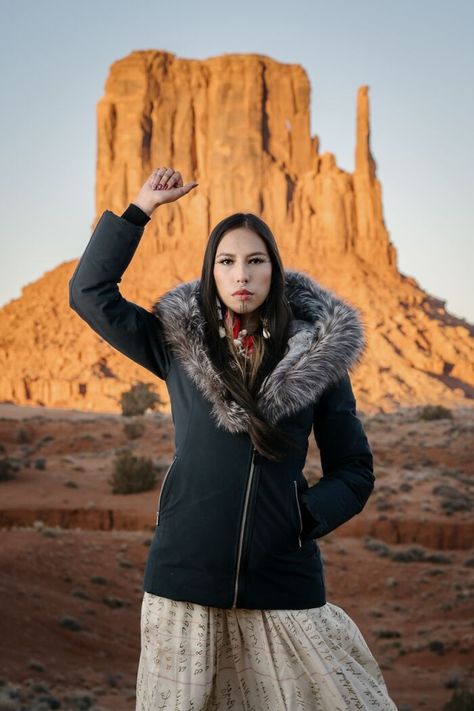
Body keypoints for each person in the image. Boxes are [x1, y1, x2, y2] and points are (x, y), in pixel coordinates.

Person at [69, 167, 398, 710]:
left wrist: (301, 518)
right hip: (183, 584)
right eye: (226, 261)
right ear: (211, 273)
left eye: (255, 260)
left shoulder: (319, 362)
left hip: (283, 585)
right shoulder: (175, 345)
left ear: (274, 271)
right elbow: (88, 292)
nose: (240, 274)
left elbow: (354, 470)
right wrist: (140, 209)